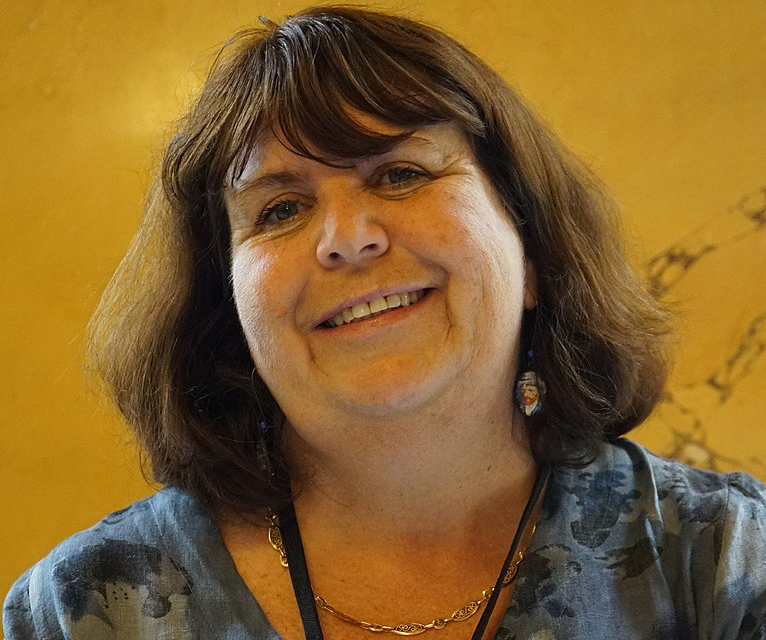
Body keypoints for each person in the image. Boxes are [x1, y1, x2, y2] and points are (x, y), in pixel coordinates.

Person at [4, 6, 766, 639]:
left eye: (400, 173)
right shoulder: (81, 612)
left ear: (533, 251)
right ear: (226, 310)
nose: (346, 238)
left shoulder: (727, 561)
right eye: (281, 209)